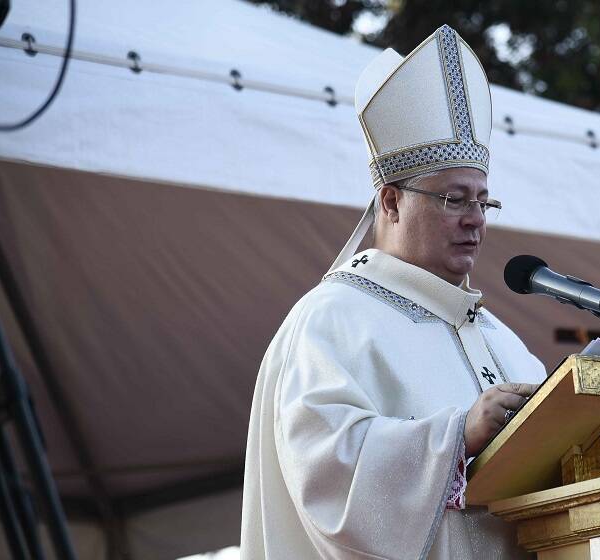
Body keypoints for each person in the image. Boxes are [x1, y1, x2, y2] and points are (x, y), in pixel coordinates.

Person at [240, 24, 545, 559]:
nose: (475, 221)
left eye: (483, 202)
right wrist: (457, 436)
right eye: (454, 199)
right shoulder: (331, 319)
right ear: (390, 201)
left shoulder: (507, 343)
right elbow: (325, 473)